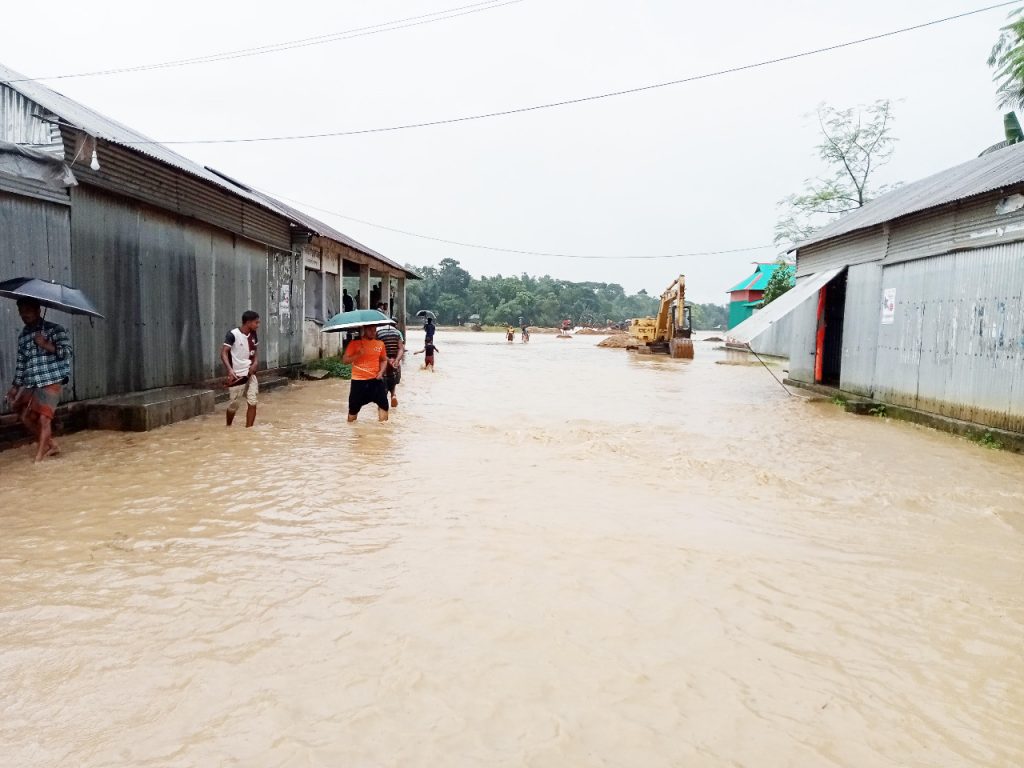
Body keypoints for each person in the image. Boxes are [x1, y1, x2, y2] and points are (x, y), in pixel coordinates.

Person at [5, 298, 72, 462]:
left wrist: (46, 344)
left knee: (44, 419)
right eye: (21, 312)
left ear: (38, 310)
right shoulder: (23, 337)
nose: (23, 315)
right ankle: (52, 445)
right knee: (24, 417)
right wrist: (15, 386)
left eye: (27, 311)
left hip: (51, 379)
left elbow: (67, 353)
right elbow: (21, 363)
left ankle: (38, 459)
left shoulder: (55, 330)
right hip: (32, 381)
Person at [221, 310, 260, 428]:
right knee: (234, 404)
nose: (258, 325)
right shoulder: (233, 334)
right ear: (248, 322)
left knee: (252, 401)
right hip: (237, 375)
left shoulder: (253, 335)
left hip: (250, 373)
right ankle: (228, 426)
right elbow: (223, 353)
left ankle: (249, 430)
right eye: (256, 323)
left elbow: (255, 352)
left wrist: (255, 364)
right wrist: (230, 370)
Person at [342, 324, 389, 422]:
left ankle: (383, 432)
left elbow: (384, 360)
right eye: (370, 330)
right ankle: (352, 433)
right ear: (364, 330)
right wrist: (358, 354)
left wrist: (381, 372)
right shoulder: (354, 343)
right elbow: (345, 360)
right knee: (353, 409)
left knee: (384, 405)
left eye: (374, 330)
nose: (373, 332)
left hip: (375, 380)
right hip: (358, 382)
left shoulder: (380, 344)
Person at [374, 321, 405, 408]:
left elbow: (377, 349)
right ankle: (393, 395)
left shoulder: (379, 333)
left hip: (383, 363)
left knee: (382, 385)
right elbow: (401, 349)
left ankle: (383, 403)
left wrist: (387, 360)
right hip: (395, 363)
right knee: (393, 380)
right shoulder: (397, 332)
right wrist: (396, 360)